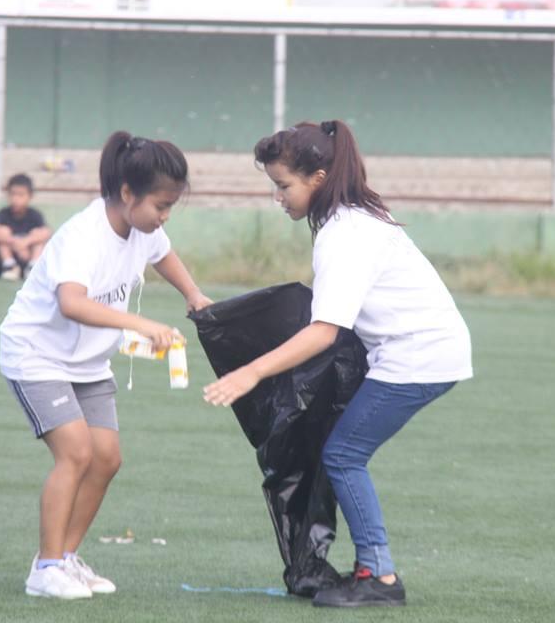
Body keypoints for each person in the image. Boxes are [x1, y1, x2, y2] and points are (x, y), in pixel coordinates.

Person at [203, 120, 473, 608]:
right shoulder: (354, 218)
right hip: (424, 351)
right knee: (343, 452)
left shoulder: (344, 234)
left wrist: (251, 371)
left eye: (283, 185)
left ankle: (379, 577)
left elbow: (323, 331)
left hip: (417, 357)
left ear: (319, 178)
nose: (278, 197)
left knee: (344, 455)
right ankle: (374, 570)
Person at [0, 131, 213, 600]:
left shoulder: (144, 229)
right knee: (76, 453)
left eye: (171, 206)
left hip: (88, 363)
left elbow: (164, 255)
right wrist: (141, 324)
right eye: (161, 205)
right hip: (37, 355)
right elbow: (72, 303)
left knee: (107, 459)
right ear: (127, 193)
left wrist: (193, 294)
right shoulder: (84, 235)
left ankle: (64, 558)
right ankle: (45, 569)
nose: (165, 216)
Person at [0, 173, 52, 281]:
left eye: (21, 195)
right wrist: (15, 242)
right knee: (2, 232)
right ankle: (9, 266)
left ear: (30, 196)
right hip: (2, 262)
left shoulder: (35, 215)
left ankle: (33, 267)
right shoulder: (2, 214)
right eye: (12, 194)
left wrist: (26, 241)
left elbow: (46, 232)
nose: (16, 199)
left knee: (38, 235)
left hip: (27, 257)